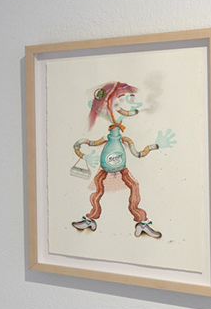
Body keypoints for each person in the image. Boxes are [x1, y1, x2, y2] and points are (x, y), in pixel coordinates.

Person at [70, 81, 174, 238]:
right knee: (98, 192)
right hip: (105, 167)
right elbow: (89, 143)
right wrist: (83, 150)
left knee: (134, 187)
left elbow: (138, 154)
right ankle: (91, 219)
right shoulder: (106, 135)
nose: (125, 107)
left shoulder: (125, 139)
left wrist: (157, 145)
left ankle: (142, 223)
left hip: (121, 167)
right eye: (119, 101)